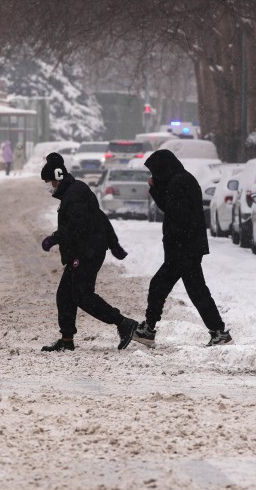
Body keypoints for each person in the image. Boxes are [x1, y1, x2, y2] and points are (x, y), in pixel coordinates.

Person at [39, 153, 138, 352]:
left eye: (49, 181)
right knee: (65, 295)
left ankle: (123, 323)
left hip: (87, 252)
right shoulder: (74, 191)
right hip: (85, 250)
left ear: (57, 178)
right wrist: (113, 243)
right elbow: (99, 216)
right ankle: (67, 340)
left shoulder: (74, 194)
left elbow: (78, 226)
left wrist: (55, 238)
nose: (48, 185)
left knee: (82, 295)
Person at [135, 148, 232, 347]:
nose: (154, 176)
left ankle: (149, 330)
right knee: (196, 291)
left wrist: (156, 190)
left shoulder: (179, 182)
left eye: (155, 171)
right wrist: (156, 189)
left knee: (160, 287)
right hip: (187, 247)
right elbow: (172, 208)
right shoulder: (180, 179)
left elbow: (176, 213)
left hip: (183, 249)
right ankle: (218, 332)